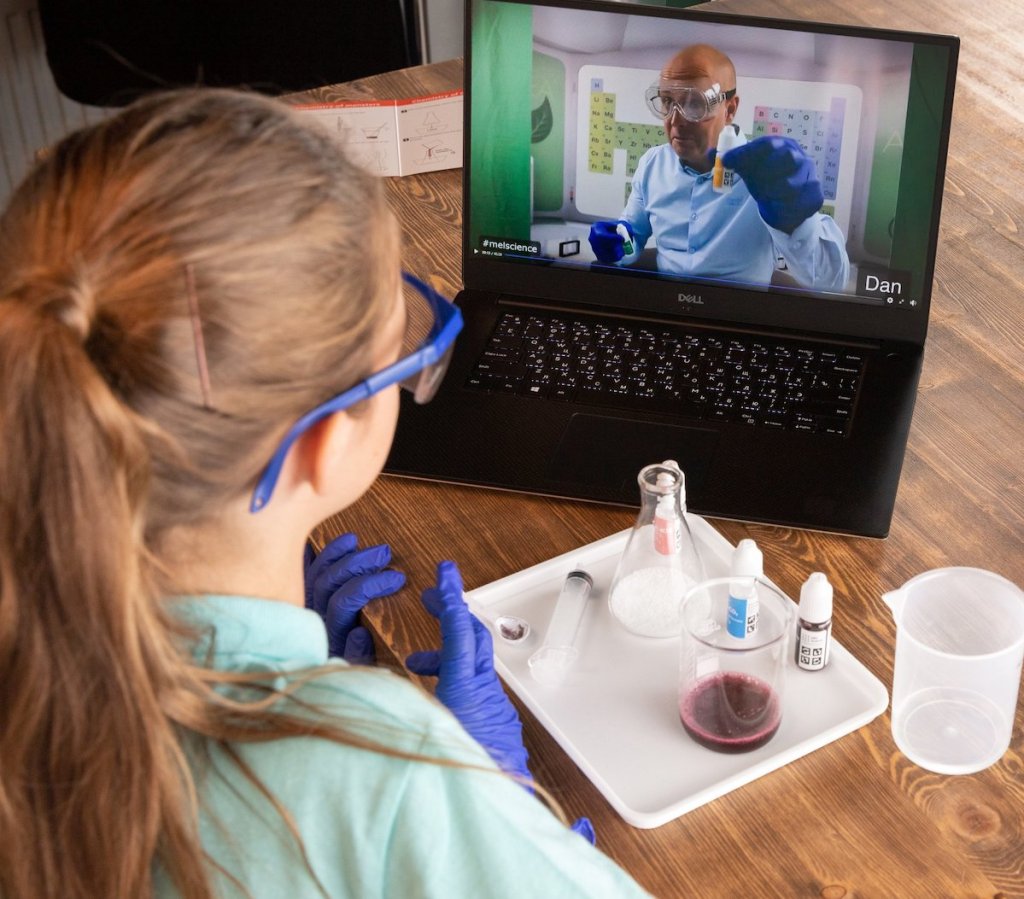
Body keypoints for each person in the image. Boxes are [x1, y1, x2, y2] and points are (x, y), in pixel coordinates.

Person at [0, 89, 650, 898]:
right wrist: (485, 798)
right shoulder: (390, 774)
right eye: (402, 349)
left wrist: (273, 641)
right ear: (322, 439)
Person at [588, 43, 850, 291]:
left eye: (695, 103)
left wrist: (796, 222)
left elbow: (831, 281)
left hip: (739, 319)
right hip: (666, 309)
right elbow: (632, 240)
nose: (675, 121)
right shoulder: (652, 164)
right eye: (668, 102)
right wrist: (619, 246)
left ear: (730, 108)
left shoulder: (767, 175)